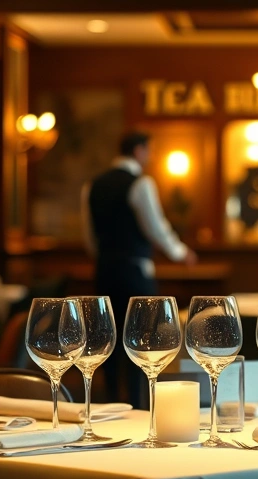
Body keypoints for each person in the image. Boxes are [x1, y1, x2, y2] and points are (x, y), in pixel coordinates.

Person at [80, 131, 197, 408]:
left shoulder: (92, 185)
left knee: (106, 343)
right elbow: (156, 227)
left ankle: (109, 404)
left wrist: (106, 257)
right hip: (135, 273)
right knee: (140, 342)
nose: (151, 156)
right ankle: (138, 407)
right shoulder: (141, 184)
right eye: (150, 150)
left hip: (105, 270)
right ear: (139, 151)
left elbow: (89, 238)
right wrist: (181, 252)